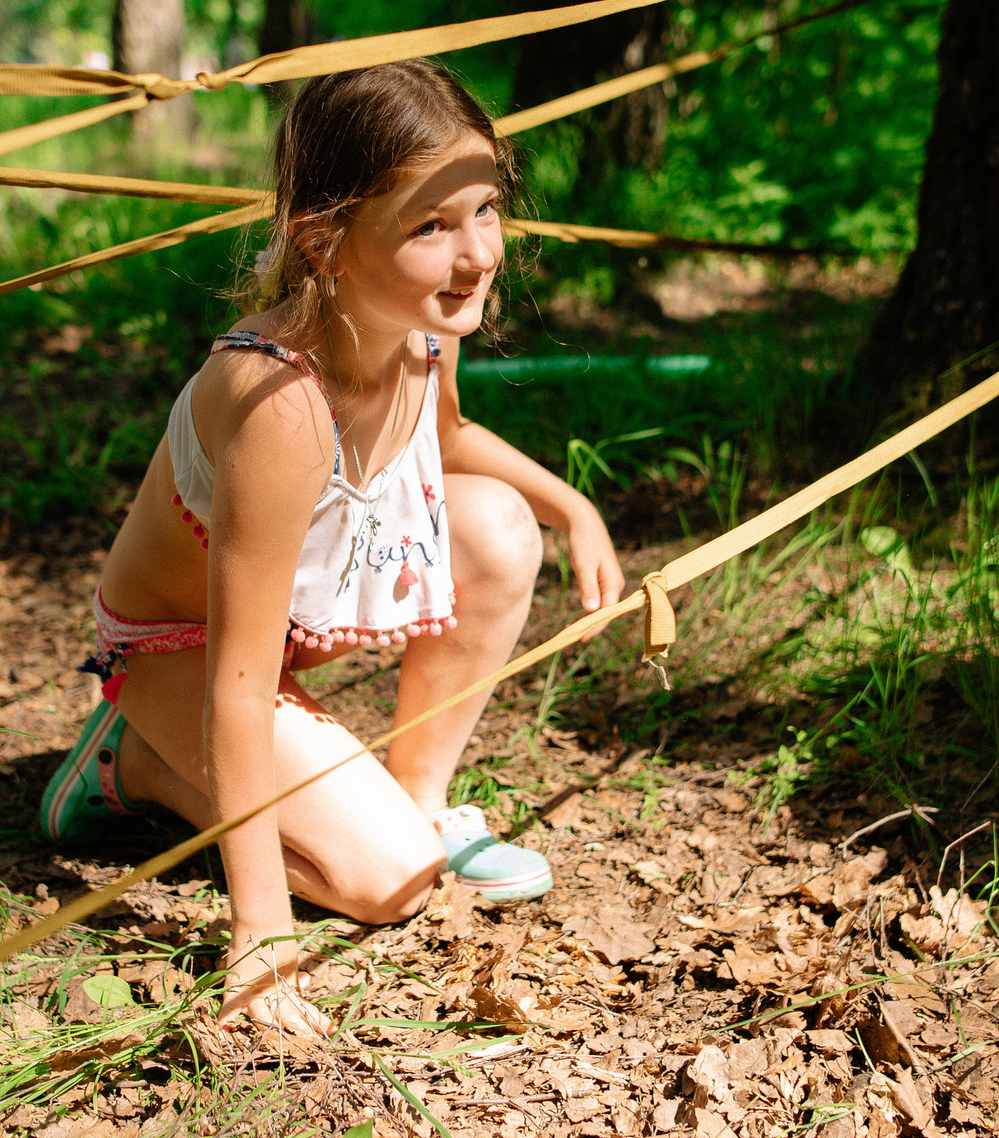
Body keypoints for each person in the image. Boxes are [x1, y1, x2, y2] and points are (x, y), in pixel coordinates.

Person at [37, 62, 625, 1036]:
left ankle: (419, 798)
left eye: (485, 209)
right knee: (391, 883)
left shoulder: (423, 327)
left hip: (292, 622)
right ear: (324, 241)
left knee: (498, 523)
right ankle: (133, 761)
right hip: (189, 648)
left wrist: (570, 507)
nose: (477, 253)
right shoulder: (281, 404)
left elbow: (443, 436)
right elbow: (236, 681)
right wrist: (260, 930)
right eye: (430, 226)